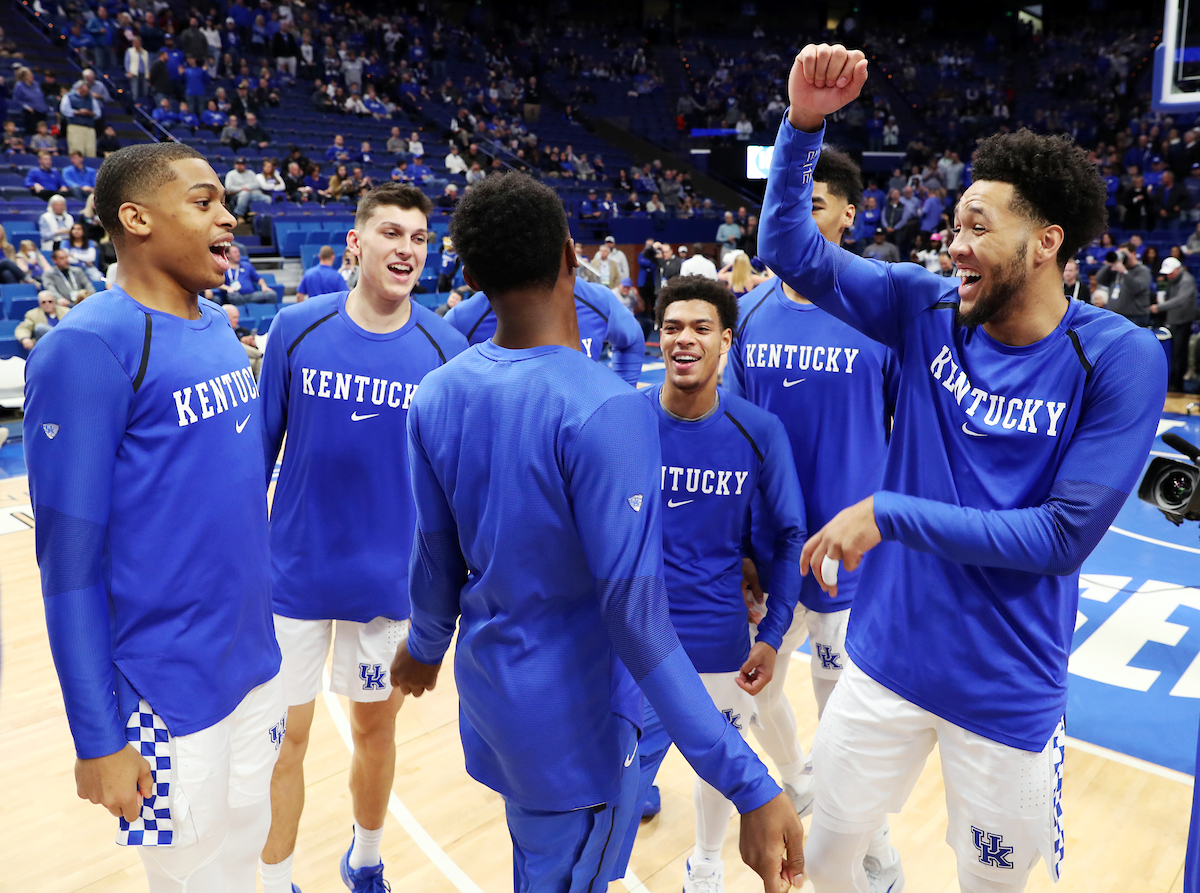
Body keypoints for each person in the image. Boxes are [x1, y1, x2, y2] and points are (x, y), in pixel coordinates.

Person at [760, 43, 1166, 893]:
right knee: (823, 866)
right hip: (881, 662)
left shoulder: (1119, 359)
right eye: (954, 224)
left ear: (1047, 242)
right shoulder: (925, 304)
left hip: (1006, 693)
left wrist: (890, 511)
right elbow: (791, 251)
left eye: (980, 225)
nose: (955, 243)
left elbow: (1059, 536)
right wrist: (801, 128)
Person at [390, 171, 803, 893]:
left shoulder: (438, 391)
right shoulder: (611, 409)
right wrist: (750, 784)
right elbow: (636, 623)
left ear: (475, 275)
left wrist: (424, 647)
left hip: (491, 694)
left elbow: (436, 557)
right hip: (578, 724)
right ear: (570, 260)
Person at [24, 140, 284, 892]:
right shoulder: (86, 347)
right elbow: (67, 567)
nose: (227, 215)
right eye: (203, 201)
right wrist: (99, 737)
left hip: (252, 669)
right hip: (164, 699)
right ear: (135, 218)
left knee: (244, 859)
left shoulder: (213, 326)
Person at [259, 183, 467, 893]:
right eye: (390, 232)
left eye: (418, 236)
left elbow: (459, 486)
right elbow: (258, 454)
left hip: (391, 584)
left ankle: (368, 857)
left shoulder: (447, 346)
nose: (406, 248)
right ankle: (280, 877)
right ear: (356, 242)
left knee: (377, 733)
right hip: (292, 578)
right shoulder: (297, 330)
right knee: (283, 739)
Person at [726, 145, 901, 891]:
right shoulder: (752, 313)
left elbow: (913, 434)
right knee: (754, 688)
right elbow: (728, 433)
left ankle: (872, 839)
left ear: (851, 214)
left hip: (855, 552)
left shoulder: (884, 312)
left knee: (852, 709)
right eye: (788, 205)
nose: (797, 217)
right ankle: (800, 780)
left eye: (815, 203)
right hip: (771, 551)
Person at [609, 275, 805, 893]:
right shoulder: (623, 418)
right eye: (672, 328)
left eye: (700, 328)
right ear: (658, 339)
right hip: (630, 641)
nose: (684, 339)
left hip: (719, 638)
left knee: (720, 765)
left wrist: (772, 634)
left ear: (726, 341)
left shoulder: (757, 430)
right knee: (617, 783)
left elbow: (791, 533)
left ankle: (704, 862)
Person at [444, 271, 645, 387]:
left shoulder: (596, 301)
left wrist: (623, 394)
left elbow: (633, 339)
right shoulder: (463, 320)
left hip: (578, 449)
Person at [1152, 256, 1197, 391]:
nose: (1168, 275)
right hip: (1173, 320)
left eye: (1170, 272)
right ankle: (1171, 380)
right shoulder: (1172, 280)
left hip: (1183, 321)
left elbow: (1180, 300)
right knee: (1173, 353)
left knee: (1179, 354)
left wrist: (1160, 307)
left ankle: (1177, 384)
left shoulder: (1186, 280)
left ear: (1177, 269)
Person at [210, 244, 276, 305]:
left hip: (251, 295)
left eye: (238, 252)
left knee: (271, 295)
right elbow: (217, 283)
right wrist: (228, 288)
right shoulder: (223, 267)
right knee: (233, 296)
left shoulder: (247, 265)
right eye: (235, 252)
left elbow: (259, 279)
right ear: (228, 254)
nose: (238, 254)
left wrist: (264, 286)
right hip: (235, 295)